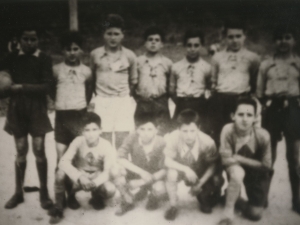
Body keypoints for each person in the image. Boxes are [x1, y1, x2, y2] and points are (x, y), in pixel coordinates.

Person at [0, 26, 54, 210]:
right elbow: (2, 86)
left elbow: (46, 87)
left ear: (38, 40)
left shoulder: (44, 58)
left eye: (33, 39)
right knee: (21, 149)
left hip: (37, 108)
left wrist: (22, 87)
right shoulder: (11, 57)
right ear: (19, 39)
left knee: (39, 149)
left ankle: (44, 192)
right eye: (25, 39)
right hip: (17, 108)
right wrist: (4, 82)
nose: (29, 43)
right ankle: (18, 192)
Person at [48, 31, 93, 222]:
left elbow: (89, 93)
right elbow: (51, 90)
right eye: (68, 49)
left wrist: (79, 108)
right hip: (62, 117)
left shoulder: (87, 71)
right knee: (61, 159)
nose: (72, 53)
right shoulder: (56, 69)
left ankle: (72, 195)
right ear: (63, 51)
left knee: (75, 159)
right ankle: (61, 199)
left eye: (76, 49)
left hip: (79, 116)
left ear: (81, 50)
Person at [256, 25, 300, 214]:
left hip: (293, 108)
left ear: (294, 41)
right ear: (274, 42)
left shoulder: (298, 63)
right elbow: (259, 91)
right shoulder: (266, 65)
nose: (283, 42)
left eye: (287, 37)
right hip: (272, 108)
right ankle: (262, 197)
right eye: (279, 38)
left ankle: (297, 199)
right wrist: (268, 104)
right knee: (268, 156)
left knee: (294, 156)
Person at [50, 112, 117, 223]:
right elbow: (63, 162)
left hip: (97, 176)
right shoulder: (77, 141)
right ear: (81, 131)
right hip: (80, 175)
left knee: (110, 189)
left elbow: (107, 171)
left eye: (94, 130)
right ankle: (59, 207)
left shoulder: (106, 145)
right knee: (60, 173)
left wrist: (95, 183)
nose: (91, 134)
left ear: (101, 130)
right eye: (87, 130)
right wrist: (80, 176)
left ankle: (97, 196)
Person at [217, 97, 272, 225]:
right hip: (235, 167)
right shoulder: (228, 130)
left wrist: (239, 158)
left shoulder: (263, 135)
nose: (245, 119)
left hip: (256, 173)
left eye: (249, 115)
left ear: (255, 118)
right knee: (237, 173)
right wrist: (237, 162)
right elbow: (225, 159)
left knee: (255, 214)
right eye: (241, 114)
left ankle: (232, 196)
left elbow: (267, 166)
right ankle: (228, 213)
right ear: (233, 116)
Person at [164, 109, 224, 221]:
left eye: (192, 131)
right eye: (184, 131)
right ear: (178, 129)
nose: (189, 135)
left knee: (207, 204)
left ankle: (214, 194)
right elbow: (167, 161)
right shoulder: (173, 137)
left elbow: (213, 166)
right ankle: (173, 205)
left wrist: (199, 184)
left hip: (201, 171)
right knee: (171, 173)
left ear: (199, 128)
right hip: (183, 168)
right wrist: (186, 169)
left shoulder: (207, 141)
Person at [90, 14, 138, 149]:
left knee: (122, 136)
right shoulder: (95, 54)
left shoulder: (130, 55)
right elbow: (92, 79)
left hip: (122, 100)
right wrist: (100, 97)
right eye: (109, 33)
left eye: (116, 34)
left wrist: (123, 96)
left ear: (123, 35)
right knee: (103, 136)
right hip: (102, 100)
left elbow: (133, 82)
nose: (112, 37)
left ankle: (119, 167)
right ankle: (106, 167)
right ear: (103, 34)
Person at [210, 20, 260, 145]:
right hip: (221, 99)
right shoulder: (217, 57)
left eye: (238, 36)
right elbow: (213, 81)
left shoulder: (253, 57)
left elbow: (254, 80)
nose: (234, 40)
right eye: (230, 37)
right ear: (225, 38)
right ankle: (220, 163)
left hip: (241, 99)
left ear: (244, 36)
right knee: (219, 134)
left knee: (241, 134)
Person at [112, 113, 167, 216]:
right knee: (116, 170)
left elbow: (165, 169)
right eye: (142, 129)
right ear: (137, 130)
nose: (146, 133)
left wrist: (141, 182)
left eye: (150, 129)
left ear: (156, 130)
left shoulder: (162, 142)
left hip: (154, 175)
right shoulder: (132, 137)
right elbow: (120, 157)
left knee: (160, 189)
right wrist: (141, 173)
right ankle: (128, 201)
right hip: (138, 170)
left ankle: (153, 197)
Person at [169, 29, 211, 132]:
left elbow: (210, 89)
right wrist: (181, 101)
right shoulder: (176, 66)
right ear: (185, 46)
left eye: (196, 45)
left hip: (200, 104)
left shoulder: (207, 67)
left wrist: (202, 102)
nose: (192, 49)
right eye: (189, 45)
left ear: (201, 46)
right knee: (178, 132)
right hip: (182, 103)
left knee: (200, 132)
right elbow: (171, 90)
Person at [133, 27, 172, 136]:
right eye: (150, 39)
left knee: (161, 134)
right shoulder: (138, 62)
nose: (153, 42)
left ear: (162, 44)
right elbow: (133, 84)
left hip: (161, 103)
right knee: (142, 133)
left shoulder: (167, 63)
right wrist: (139, 98)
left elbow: (170, 85)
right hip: (143, 103)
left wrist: (163, 99)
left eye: (157, 40)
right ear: (145, 43)